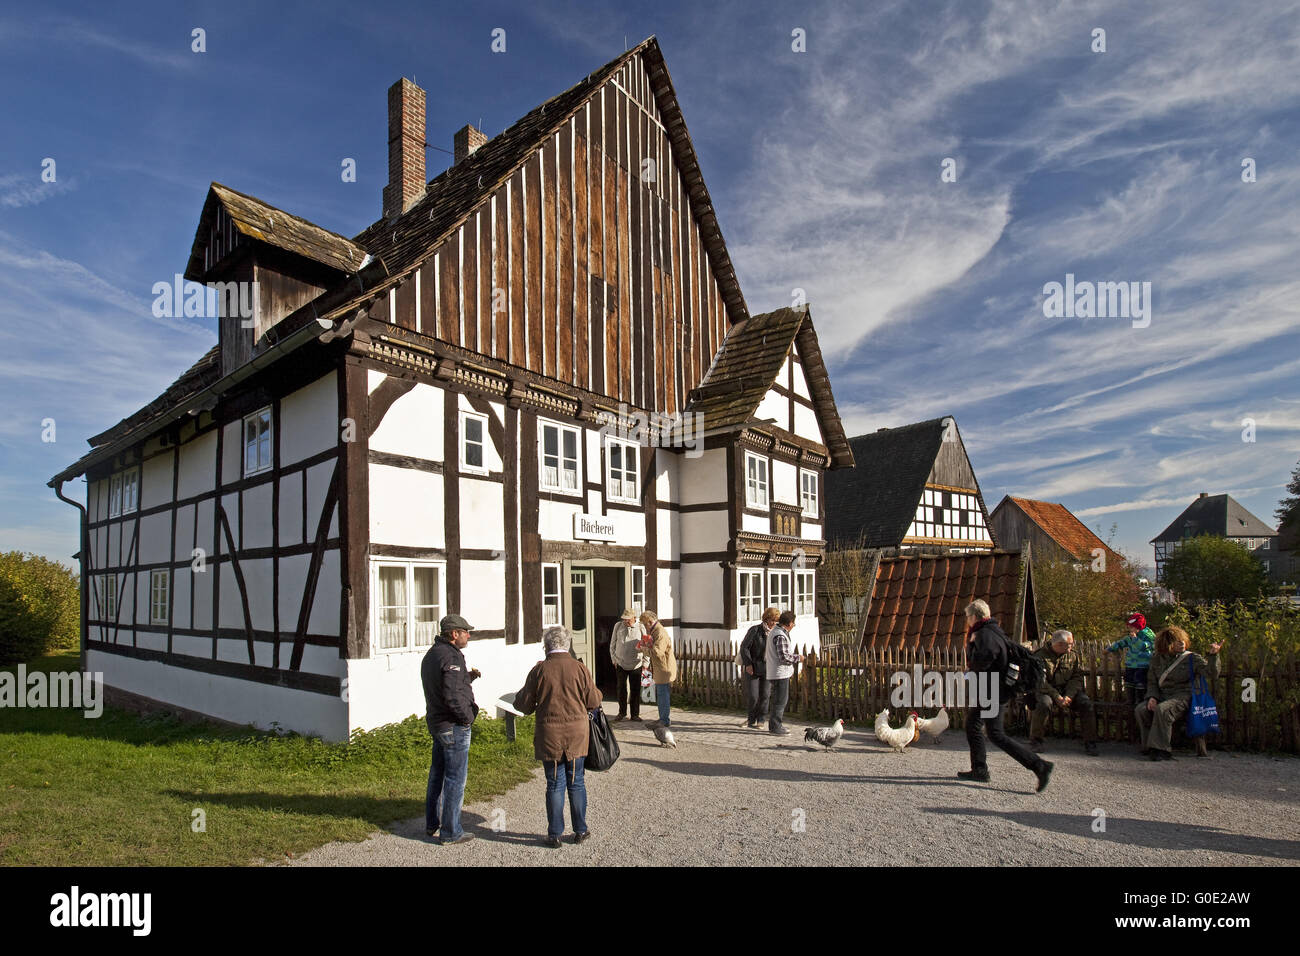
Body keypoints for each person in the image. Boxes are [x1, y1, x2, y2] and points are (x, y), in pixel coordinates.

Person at [514, 625, 604, 848]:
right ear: (567, 644)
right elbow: (594, 701)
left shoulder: (539, 670)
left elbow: (524, 705)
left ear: (547, 646)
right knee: (576, 783)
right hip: (576, 735)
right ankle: (580, 830)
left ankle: (554, 834)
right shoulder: (580, 668)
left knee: (554, 784)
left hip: (550, 735)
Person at [960, 599, 1052, 792]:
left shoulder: (983, 634)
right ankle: (979, 769)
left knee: (995, 734)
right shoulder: (993, 630)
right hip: (995, 688)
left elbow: (985, 658)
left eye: (968, 616)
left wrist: (972, 667)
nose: (967, 620)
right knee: (973, 725)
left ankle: (1039, 765)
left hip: (993, 689)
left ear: (975, 616)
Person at [421, 613, 480, 845]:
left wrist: (468, 678)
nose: (468, 635)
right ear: (454, 634)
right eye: (466, 632)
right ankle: (451, 831)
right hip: (453, 726)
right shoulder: (452, 657)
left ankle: (431, 823)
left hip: (437, 723)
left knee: (437, 775)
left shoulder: (433, 654)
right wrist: (467, 719)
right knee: (455, 779)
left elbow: (445, 685)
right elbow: (453, 697)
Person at [1135, 625, 1222, 761]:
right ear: (1167, 643)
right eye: (1176, 640)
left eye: (1182, 640)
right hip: (1163, 695)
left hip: (1184, 696)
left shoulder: (1192, 658)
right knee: (1141, 710)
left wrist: (1213, 655)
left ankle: (1162, 750)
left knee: (1163, 710)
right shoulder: (1157, 659)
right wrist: (1152, 697)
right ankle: (1149, 747)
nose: (1181, 642)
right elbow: (1152, 682)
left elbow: (1211, 673)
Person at [1027, 629, 1099, 757]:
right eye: (1069, 644)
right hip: (1046, 690)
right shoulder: (1039, 656)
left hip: (1067, 691)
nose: (1072, 646)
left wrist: (1069, 696)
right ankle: (1036, 740)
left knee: (1086, 703)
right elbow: (1040, 681)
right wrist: (1056, 696)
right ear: (1059, 644)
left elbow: (1076, 678)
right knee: (1044, 703)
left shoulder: (1073, 656)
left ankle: (1091, 742)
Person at [740, 607, 779, 729]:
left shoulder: (776, 632)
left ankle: (761, 719)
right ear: (766, 619)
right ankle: (751, 719)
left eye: (776, 621)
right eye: (772, 620)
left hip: (768, 669)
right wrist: (748, 664)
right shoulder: (755, 630)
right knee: (753, 695)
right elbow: (744, 647)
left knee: (765, 695)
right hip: (753, 667)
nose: (774, 623)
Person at [765, 610, 802, 736]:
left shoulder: (776, 632)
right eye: (794, 623)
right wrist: (798, 658)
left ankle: (775, 725)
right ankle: (776, 726)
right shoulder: (780, 635)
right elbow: (784, 657)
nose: (794, 626)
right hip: (779, 673)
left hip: (776, 672)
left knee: (778, 700)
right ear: (790, 623)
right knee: (780, 701)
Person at [1107, 613, 1156, 707]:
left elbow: (1143, 646)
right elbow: (1122, 642)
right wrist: (1110, 649)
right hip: (1131, 664)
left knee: (1140, 683)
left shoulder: (1147, 636)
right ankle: (1130, 700)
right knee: (1129, 682)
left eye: (1132, 627)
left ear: (1138, 627)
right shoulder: (1130, 637)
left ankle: (1140, 701)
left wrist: (1135, 639)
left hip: (1142, 665)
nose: (1129, 629)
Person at [609, 608, 647, 722]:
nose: (626, 622)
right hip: (620, 662)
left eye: (628, 619)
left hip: (636, 663)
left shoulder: (641, 627)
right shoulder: (618, 626)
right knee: (621, 688)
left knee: (635, 689)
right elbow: (612, 644)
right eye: (624, 619)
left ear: (634, 618)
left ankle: (635, 714)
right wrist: (614, 659)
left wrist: (646, 662)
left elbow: (646, 646)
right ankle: (622, 712)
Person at [642, 610, 676, 727]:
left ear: (650, 622)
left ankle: (664, 720)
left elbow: (657, 652)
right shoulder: (656, 631)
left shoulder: (660, 632)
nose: (645, 628)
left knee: (663, 694)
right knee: (661, 694)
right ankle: (663, 718)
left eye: (645, 625)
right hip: (660, 668)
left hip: (664, 668)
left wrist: (643, 649)